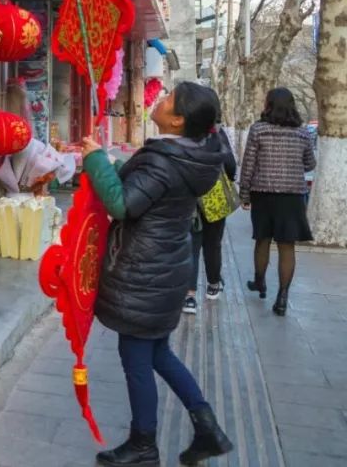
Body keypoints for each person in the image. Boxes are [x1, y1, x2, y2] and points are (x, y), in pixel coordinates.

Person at [81, 82, 233, 466]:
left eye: (168, 99)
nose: (160, 99)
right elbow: (146, 191)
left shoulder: (165, 159)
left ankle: (143, 445)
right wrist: (112, 163)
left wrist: (97, 162)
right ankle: (207, 428)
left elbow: (123, 204)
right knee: (159, 353)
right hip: (167, 269)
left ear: (178, 120)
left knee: (136, 358)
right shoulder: (191, 156)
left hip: (145, 274)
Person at [239, 87, 316, 316]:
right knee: (286, 245)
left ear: (268, 104)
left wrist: (244, 195)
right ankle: (282, 297)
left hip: (263, 194)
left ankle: (260, 282)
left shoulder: (258, 130)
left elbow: (249, 165)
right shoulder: (302, 134)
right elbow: (310, 164)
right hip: (292, 197)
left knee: (262, 239)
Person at [183, 120, 237, 315]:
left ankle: (189, 296)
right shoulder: (216, 133)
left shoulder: (183, 131)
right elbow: (230, 165)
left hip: (190, 195)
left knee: (192, 245)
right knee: (213, 243)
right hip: (215, 195)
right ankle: (213, 284)